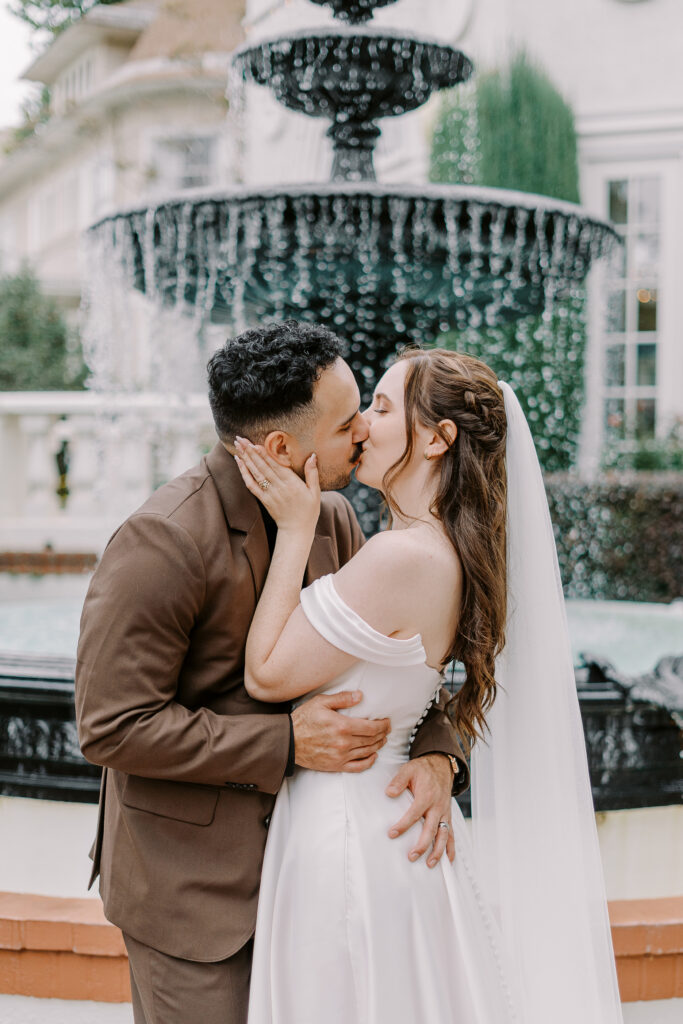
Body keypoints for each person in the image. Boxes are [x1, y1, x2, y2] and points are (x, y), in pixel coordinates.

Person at [74, 321, 469, 1024]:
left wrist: (439, 752)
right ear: (280, 448)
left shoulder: (338, 519)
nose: (361, 436)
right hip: (195, 896)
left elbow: (385, 657)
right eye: (346, 422)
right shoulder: (160, 541)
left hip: (318, 879)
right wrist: (285, 744)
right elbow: (112, 727)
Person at [235, 347, 624, 1024]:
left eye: (381, 408)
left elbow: (266, 674)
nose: (360, 425)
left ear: (438, 439)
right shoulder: (440, 550)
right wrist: (439, 754)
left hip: (349, 832)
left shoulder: (399, 557)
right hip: (390, 826)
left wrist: (295, 530)